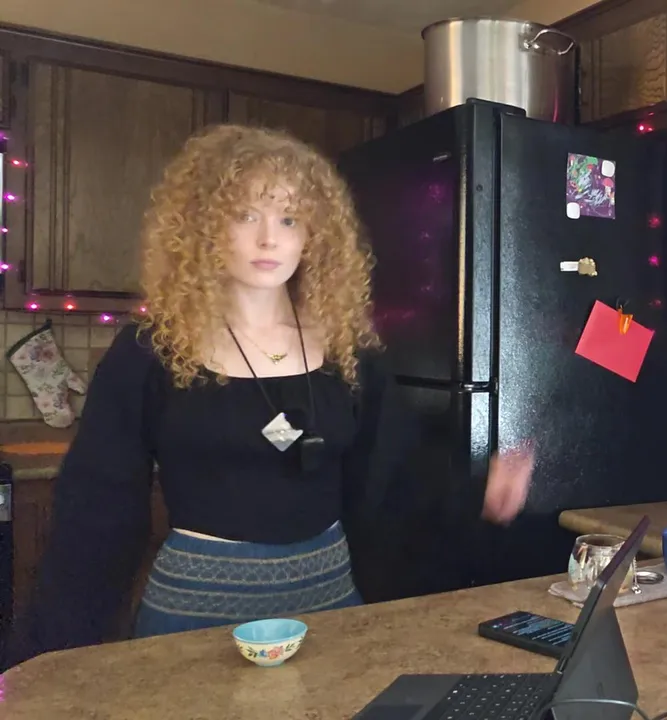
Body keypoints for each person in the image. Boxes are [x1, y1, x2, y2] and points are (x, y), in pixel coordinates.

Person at [2, 124, 534, 668]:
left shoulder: (349, 351)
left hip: (330, 611)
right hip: (192, 622)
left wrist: (475, 494)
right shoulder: (150, 351)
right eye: (245, 216)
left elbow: (392, 474)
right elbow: (96, 511)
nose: (269, 239)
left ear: (314, 234)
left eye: (289, 219)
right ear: (204, 226)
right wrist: (47, 659)